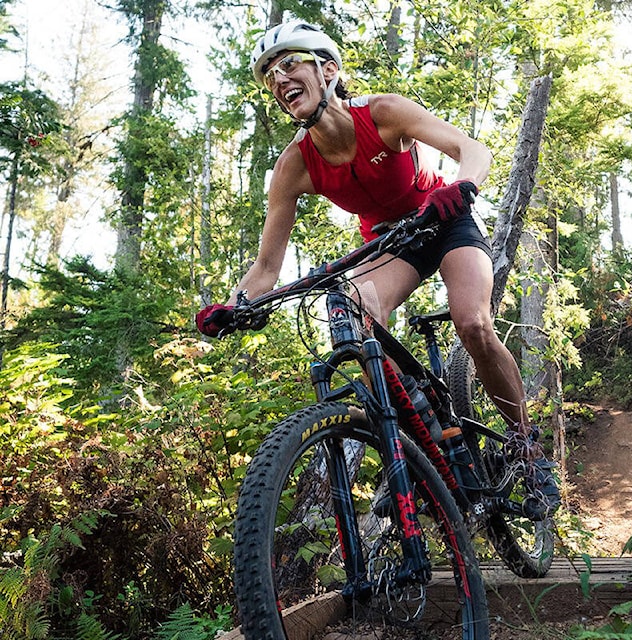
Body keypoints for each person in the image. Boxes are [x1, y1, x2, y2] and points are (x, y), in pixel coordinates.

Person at [195, 20, 558, 517]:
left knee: (473, 322)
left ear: (328, 70)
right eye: (269, 77)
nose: (279, 81)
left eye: (288, 64)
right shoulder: (295, 165)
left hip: (444, 221)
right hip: (391, 244)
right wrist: (236, 306)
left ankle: (527, 448)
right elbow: (265, 267)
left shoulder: (384, 114)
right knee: (353, 311)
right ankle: (412, 449)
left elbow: (473, 149)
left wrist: (462, 187)